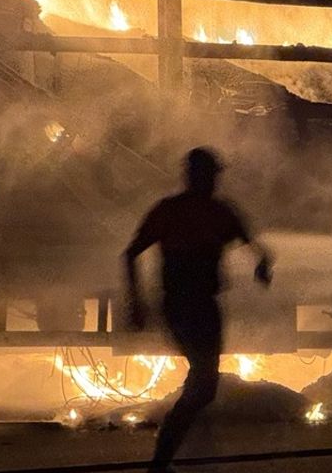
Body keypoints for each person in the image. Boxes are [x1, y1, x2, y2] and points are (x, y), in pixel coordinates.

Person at [124, 147, 274, 472]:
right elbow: (131, 253)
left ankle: (172, 450)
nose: (211, 180)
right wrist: (135, 302)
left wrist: (262, 264)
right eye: (207, 174)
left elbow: (254, 246)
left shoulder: (217, 212)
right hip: (183, 306)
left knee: (204, 385)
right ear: (193, 175)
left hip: (202, 306)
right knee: (204, 381)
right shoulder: (175, 211)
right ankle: (163, 459)